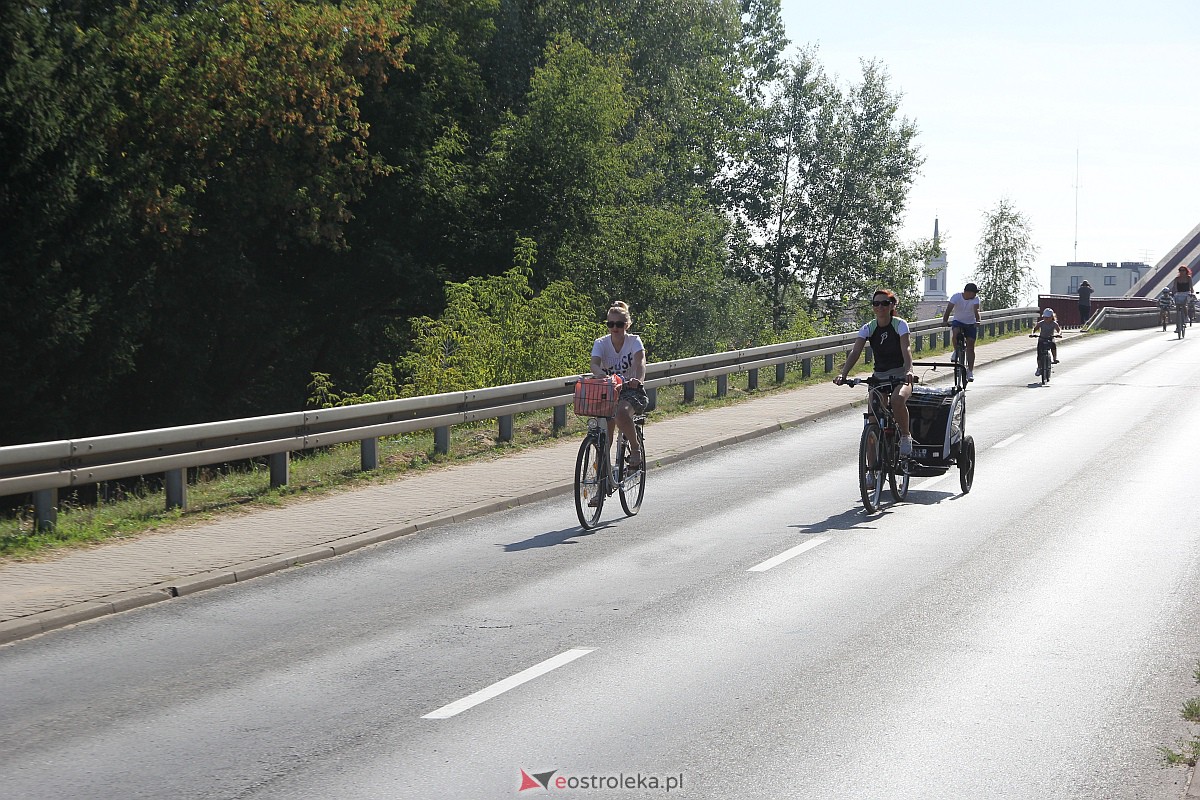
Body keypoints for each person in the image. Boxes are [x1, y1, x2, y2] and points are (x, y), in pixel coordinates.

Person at [834, 288, 916, 464]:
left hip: (900, 376)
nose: (880, 307)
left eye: (885, 303)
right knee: (872, 422)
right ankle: (871, 470)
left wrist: (909, 370)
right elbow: (856, 352)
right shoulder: (868, 328)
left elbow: (906, 348)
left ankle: (905, 436)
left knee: (897, 399)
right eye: (876, 303)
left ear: (892, 305)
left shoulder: (900, 324)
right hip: (879, 377)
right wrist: (844, 375)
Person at [590, 301, 648, 492]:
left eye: (619, 324)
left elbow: (640, 362)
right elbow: (595, 364)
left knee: (621, 415)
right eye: (610, 324)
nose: (615, 328)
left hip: (630, 390)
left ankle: (636, 450)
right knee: (602, 439)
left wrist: (637, 380)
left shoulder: (634, 341)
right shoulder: (601, 343)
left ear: (627, 325)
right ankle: (600, 489)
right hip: (609, 389)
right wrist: (599, 374)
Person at [942, 282, 982, 381]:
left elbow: (976, 311)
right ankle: (956, 351)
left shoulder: (975, 300)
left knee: (971, 346)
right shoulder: (956, 297)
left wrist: (978, 321)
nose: (975, 295)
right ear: (967, 292)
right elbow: (948, 310)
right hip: (958, 321)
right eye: (974, 293)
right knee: (955, 332)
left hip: (970, 323)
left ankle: (970, 371)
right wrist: (945, 321)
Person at [1031, 308, 1061, 375]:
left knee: (1053, 344)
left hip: (1050, 338)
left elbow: (1059, 330)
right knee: (1039, 354)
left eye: (1047, 317)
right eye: (1045, 317)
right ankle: (1039, 368)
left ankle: (1054, 358)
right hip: (1042, 339)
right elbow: (1034, 329)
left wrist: (1058, 334)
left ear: (1051, 317)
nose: (1046, 319)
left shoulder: (1054, 324)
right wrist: (1032, 334)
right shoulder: (1041, 323)